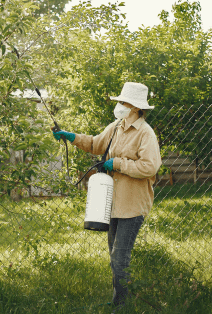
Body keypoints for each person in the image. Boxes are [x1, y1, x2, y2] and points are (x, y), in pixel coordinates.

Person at [52, 82, 162, 307]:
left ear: (135, 107)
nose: (119, 105)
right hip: (113, 203)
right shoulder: (116, 126)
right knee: (115, 257)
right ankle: (120, 302)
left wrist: (118, 163)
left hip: (133, 205)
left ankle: (121, 306)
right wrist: (70, 136)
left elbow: (150, 167)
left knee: (120, 259)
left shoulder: (145, 133)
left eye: (123, 102)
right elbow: (94, 143)